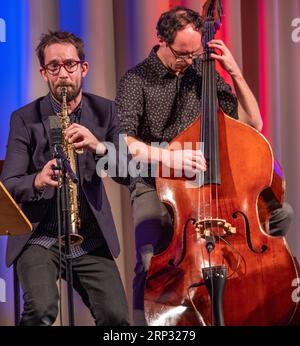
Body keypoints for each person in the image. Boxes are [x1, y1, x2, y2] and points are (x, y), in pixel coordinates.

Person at [115, 6, 294, 325]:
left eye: (194, 54)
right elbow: (123, 142)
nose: (189, 62)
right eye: (182, 54)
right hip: (157, 184)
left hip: (209, 182)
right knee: (149, 257)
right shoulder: (136, 80)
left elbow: (253, 123)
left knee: (277, 215)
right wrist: (168, 157)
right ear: (161, 40)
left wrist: (235, 73)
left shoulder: (202, 74)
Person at [1, 31, 129, 326]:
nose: (63, 74)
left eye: (70, 65)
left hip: (90, 237)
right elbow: (8, 184)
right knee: (41, 310)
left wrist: (99, 147)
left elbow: (127, 172)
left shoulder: (105, 111)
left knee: (116, 318)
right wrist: (38, 180)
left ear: (83, 68)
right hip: (38, 236)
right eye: (54, 67)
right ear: (44, 73)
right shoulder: (24, 118)